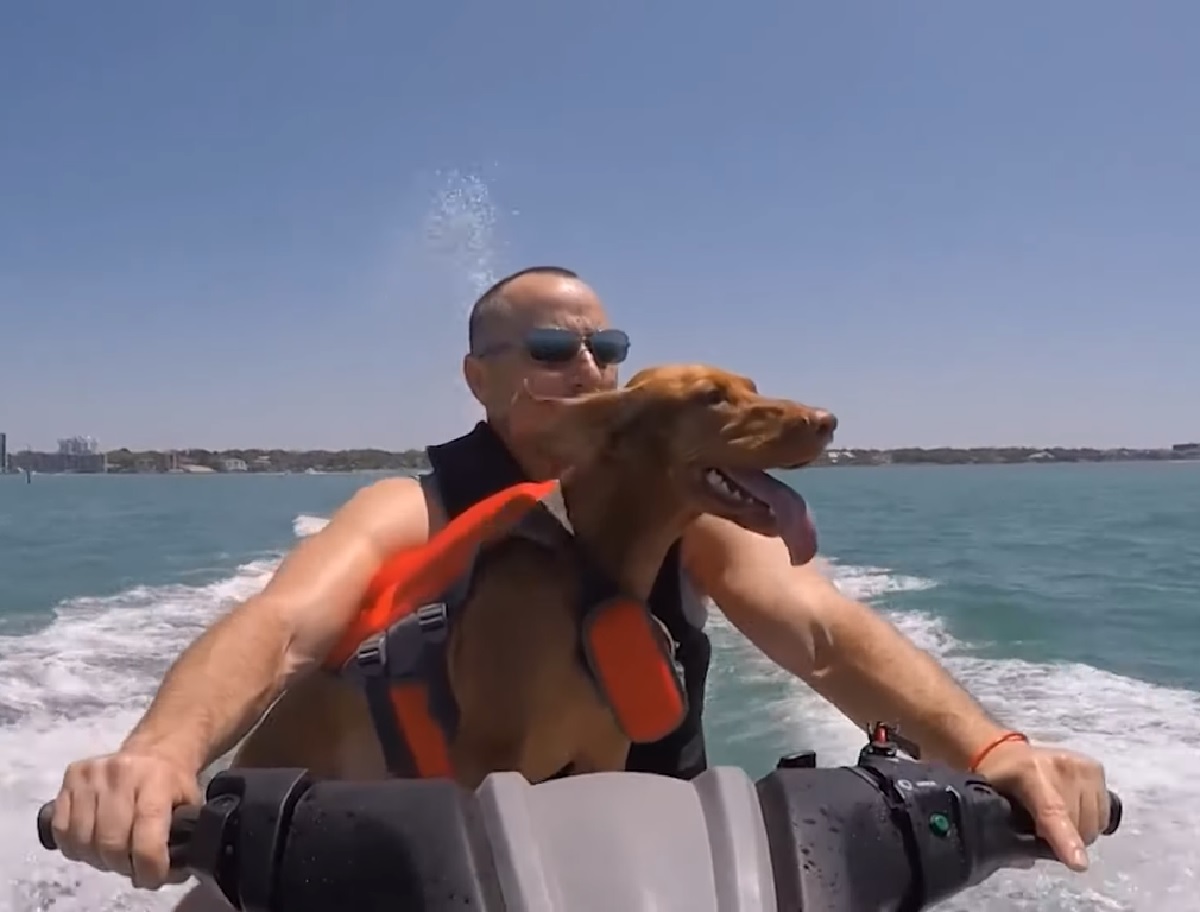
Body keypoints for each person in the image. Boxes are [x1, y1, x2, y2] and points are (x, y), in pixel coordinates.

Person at [48, 266, 1111, 901]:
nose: (588, 367)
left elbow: (821, 633)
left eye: (606, 345)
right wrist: (157, 757)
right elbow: (280, 629)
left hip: (665, 872)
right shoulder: (411, 509)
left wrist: (994, 751)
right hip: (404, 873)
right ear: (481, 376)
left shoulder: (684, 510)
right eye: (553, 346)